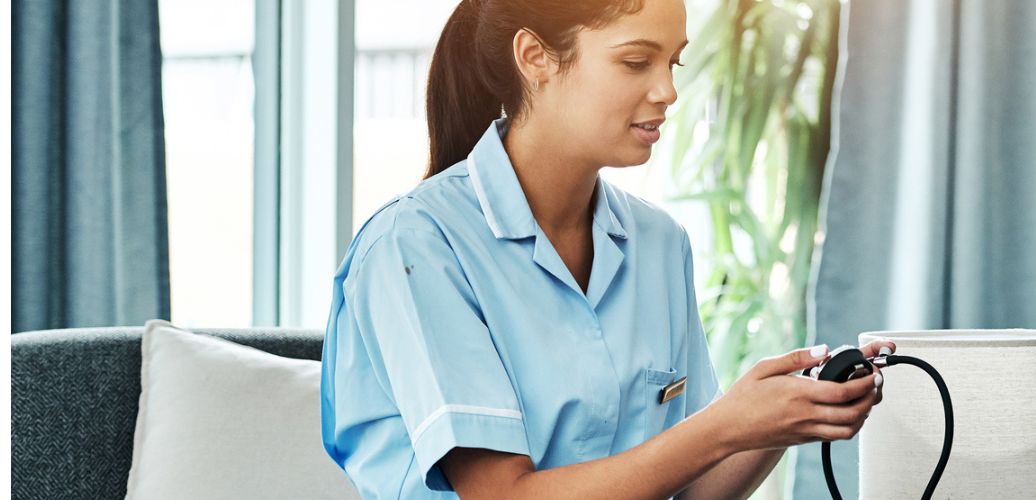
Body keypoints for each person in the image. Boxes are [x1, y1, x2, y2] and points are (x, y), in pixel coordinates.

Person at [319, 1, 890, 498]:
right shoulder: (417, 246)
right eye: (636, 61)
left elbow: (688, 489)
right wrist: (724, 427)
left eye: (674, 62)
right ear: (536, 59)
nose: (668, 90)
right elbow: (501, 496)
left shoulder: (660, 244)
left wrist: (785, 415)